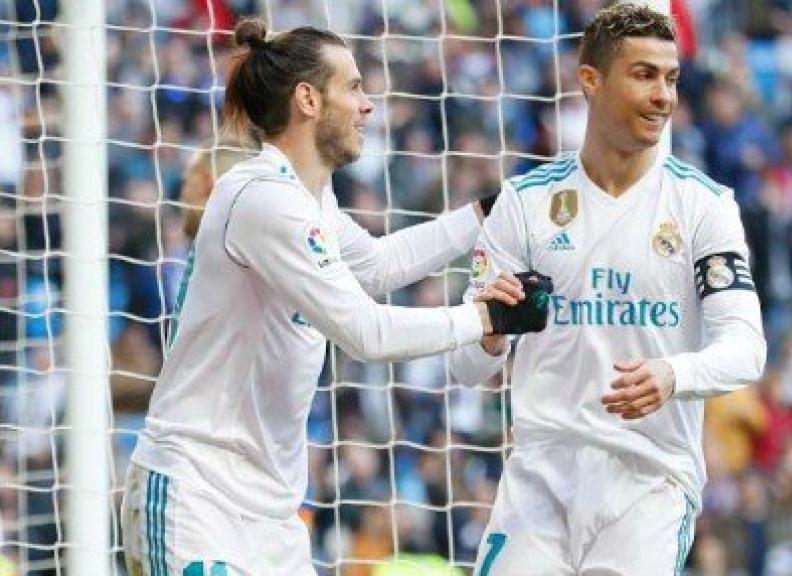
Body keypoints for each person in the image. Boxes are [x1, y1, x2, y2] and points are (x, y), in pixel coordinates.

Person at [121, 19, 549, 575]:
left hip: (270, 511)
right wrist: (486, 315)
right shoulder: (262, 197)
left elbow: (377, 265)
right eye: (353, 86)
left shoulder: (310, 201)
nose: (367, 105)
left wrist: (487, 212)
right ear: (307, 99)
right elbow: (365, 332)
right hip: (198, 494)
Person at [449, 4, 766, 574]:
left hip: (648, 480)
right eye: (644, 74)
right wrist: (491, 333)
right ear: (590, 81)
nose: (664, 95)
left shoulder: (704, 207)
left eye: (671, 78)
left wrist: (675, 374)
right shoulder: (524, 203)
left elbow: (746, 349)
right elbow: (466, 368)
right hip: (539, 474)